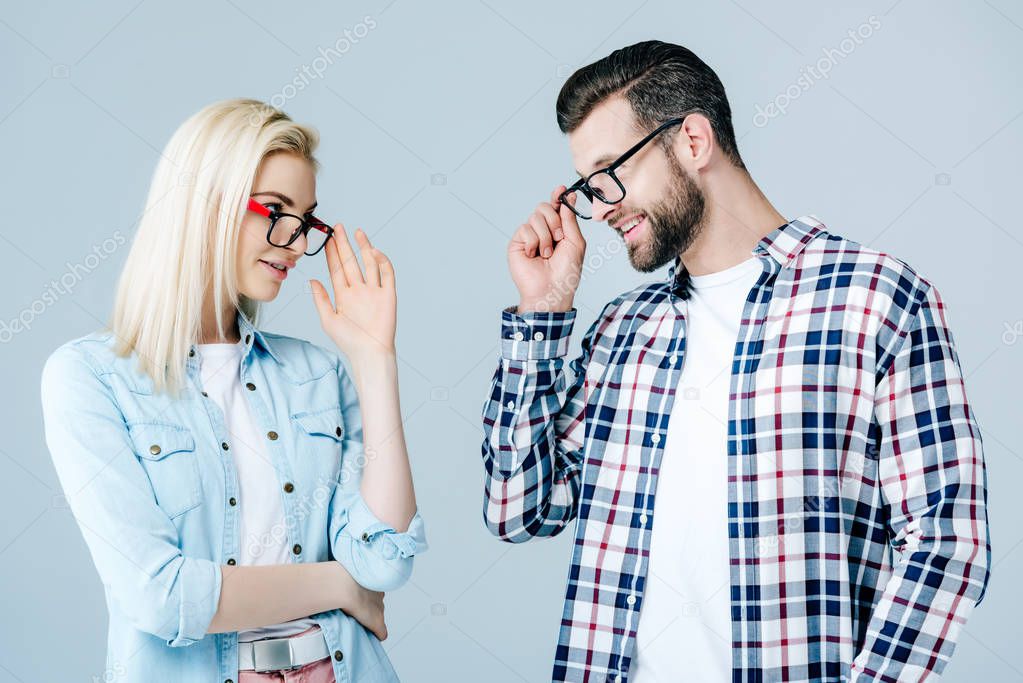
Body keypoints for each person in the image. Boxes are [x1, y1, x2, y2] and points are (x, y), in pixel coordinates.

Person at [480, 40, 989, 682]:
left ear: (693, 140)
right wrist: (543, 310)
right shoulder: (623, 331)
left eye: (611, 172)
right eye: (588, 187)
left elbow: (947, 538)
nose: (602, 206)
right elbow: (518, 508)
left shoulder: (874, 300)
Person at [40, 98, 426, 683]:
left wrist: (376, 363)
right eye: (275, 210)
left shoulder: (317, 372)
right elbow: (162, 597)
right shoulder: (89, 378)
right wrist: (341, 584)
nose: (296, 245)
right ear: (202, 205)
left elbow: (382, 560)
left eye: (307, 221)